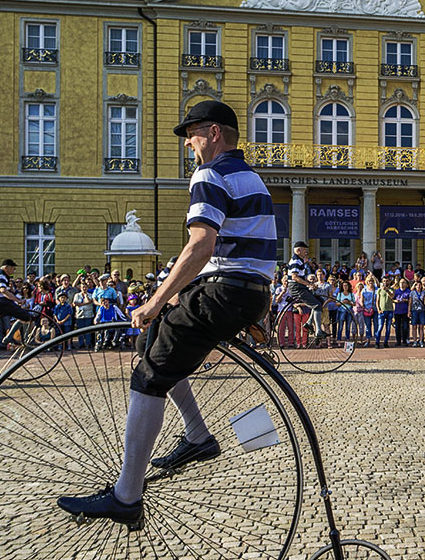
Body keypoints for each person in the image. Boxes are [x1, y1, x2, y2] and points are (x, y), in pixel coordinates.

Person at [57, 99, 275, 525]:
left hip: (225, 292)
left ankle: (125, 496)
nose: (189, 143)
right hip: (245, 291)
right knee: (149, 343)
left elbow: (201, 245)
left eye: (192, 133)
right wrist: (177, 296)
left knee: (148, 377)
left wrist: (156, 300)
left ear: (214, 133)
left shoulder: (210, 173)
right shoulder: (251, 177)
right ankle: (196, 436)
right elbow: (231, 251)